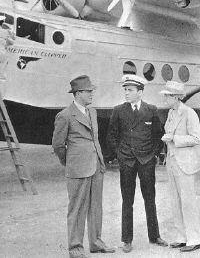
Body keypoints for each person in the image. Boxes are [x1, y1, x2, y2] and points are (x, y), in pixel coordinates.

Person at [52, 75, 115, 258]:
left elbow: (94, 139)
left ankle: (96, 242)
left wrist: (100, 160)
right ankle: (75, 248)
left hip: (96, 166)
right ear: (78, 93)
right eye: (88, 91)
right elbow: (57, 145)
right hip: (78, 168)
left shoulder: (92, 112)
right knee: (77, 208)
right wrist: (69, 162)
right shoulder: (64, 115)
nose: (91, 94)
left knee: (96, 207)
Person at [108, 74, 168, 253]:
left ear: (140, 92)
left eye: (130, 90)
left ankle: (155, 235)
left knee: (150, 199)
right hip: (126, 160)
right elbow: (111, 135)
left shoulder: (151, 109)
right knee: (127, 200)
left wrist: (155, 154)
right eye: (125, 90)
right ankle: (126, 239)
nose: (126, 93)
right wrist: (119, 154)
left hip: (146, 160)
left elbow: (158, 134)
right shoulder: (118, 110)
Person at [160, 81, 200, 252]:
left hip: (185, 163)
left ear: (176, 97)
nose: (165, 98)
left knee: (188, 201)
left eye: (168, 95)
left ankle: (195, 238)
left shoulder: (189, 113)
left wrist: (174, 139)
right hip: (172, 162)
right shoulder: (171, 112)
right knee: (175, 200)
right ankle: (181, 237)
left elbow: (196, 138)